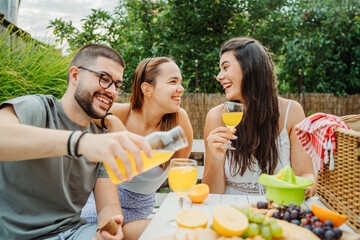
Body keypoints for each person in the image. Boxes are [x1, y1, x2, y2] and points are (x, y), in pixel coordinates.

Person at [0, 44, 153, 240]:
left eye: (117, 85)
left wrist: (109, 226)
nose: (112, 91)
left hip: (73, 233)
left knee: (166, 228)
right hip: (14, 235)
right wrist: (81, 142)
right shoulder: (37, 108)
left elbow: (108, 204)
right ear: (75, 76)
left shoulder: (100, 137)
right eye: (104, 79)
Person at [81, 57, 193, 239]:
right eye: (173, 82)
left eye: (180, 82)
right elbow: (79, 110)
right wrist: (110, 120)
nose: (181, 88)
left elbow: (178, 177)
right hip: (101, 206)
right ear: (147, 89)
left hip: (139, 213)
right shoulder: (124, 113)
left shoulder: (178, 122)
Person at [202, 37, 317, 198]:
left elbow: (306, 174)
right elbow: (212, 193)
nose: (219, 77)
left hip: (278, 208)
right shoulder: (216, 116)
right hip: (231, 213)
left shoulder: (292, 112)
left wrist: (305, 188)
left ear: (250, 67)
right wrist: (216, 159)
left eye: (226, 67)